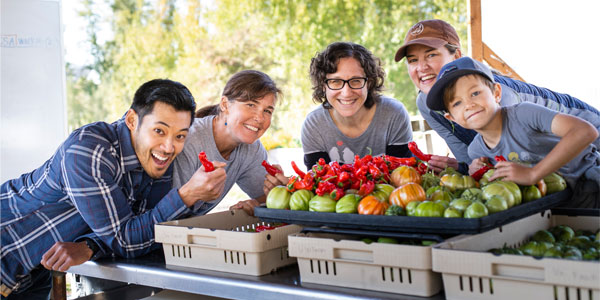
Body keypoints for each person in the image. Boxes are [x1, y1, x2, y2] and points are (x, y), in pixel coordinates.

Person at [0, 79, 228, 299]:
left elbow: (148, 231)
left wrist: (90, 245)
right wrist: (187, 195)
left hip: (34, 272)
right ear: (132, 120)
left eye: (180, 136)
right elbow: (125, 239)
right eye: (159, 131)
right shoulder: (89, 150)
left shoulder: (156, 160)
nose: (169, 147)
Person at [394, 19, 600, 174]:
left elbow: (530, 160)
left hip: (587, 138)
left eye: (431, 55)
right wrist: (464, 168)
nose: (422, 67)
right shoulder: (427, 103)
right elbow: (474, 159)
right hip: (555, 166)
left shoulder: (501, 99)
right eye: (413, 60)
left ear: (456, 56)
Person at [427, 57, 599, 207]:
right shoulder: (476, 151)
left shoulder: (523, 114)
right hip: (558, 206)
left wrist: (533, 173)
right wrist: (477, 174)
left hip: (592, 185)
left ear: (496, 93)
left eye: (475, 93)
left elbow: (584, 131)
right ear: (452, 118)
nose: (468, 105)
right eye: (457, 103)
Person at [172, 70, 282, 216]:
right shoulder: (190, 139)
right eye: (251, 105)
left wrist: (273, 194)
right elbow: (165, 212)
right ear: (225, 104)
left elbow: (267, 196)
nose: (260, 118)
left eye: (267, 111)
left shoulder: (251, 149)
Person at [301, 41, 413, 169]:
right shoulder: (314, 125)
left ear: (369, 83)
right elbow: (318, 183)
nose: (347, 93)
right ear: (323, 85)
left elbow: (403, 176)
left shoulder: (393, 114)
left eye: (355, 81)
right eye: (336, 81)